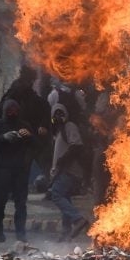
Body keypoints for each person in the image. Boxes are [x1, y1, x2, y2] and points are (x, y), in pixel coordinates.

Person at [0, 99, 35, 243]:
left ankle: (20, 232)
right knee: (0, 201)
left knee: (20, 202)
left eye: (15, 110)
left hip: (20, 169)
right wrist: (3, 137)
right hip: (2, 168)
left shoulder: (24, 125)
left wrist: (29, 136)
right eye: (9, 110)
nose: (12, 112)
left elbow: (37, 145)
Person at [49, 103, 91, 241]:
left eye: (61, 113)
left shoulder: (69, 126)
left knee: (56, 194)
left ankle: (78, 219)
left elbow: (76, 146)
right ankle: (66, 232)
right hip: (62, 171)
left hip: (70, 170)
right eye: (55, 114)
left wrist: (63, 160)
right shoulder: (59, 131)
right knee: (65, 197)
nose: (58, 116)